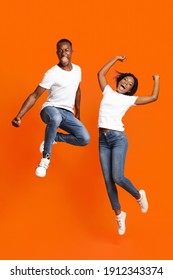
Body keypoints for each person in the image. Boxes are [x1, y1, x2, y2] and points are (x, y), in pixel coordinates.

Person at [97, 55, 160, 235]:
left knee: (117, 177)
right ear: (119, 80)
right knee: (108, 182)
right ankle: (119, 215)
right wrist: (115, 59)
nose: (126, 82)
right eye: (125, 79)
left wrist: (156, 79)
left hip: (118, 139)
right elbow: (100, 74)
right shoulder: (108, 92)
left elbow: (154, 97)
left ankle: (139, 196)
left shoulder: (128, 100)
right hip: (102, 140)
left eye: (129, 84)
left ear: (130, 90)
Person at [12, 39, 90, 177]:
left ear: (71, 52)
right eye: (60, 50)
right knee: (56, 117)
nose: (63, 53)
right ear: (56, 53)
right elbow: (35, 95)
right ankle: (45, 159)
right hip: (50, 109)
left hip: (68, 113)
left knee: (84, 138)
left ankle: (55, 137)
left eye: (66, 50)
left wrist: (78, 111)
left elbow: (78, 90)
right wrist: (19, 116)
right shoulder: (52, 73)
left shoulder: (78, 70)